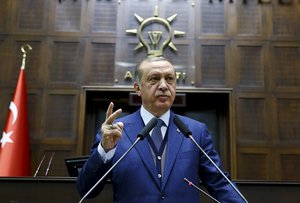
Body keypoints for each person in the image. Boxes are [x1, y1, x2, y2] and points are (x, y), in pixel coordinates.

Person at [77, 56, 245, 202]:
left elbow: (220, 183)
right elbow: (86, 190)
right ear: (137, 88)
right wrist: (105, 151)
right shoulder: (115, 132)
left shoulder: (196, 132)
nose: (164, 85)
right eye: (154, 79)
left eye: (170, 79)